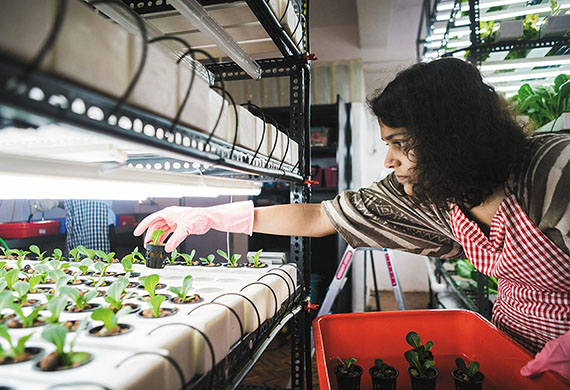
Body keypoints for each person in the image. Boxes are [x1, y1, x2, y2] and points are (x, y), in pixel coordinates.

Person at [133, 58, 570, 381]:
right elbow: (316, 217)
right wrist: (210, 217)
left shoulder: (551, 170)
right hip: (512, 348)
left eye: (398, 142)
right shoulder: (437, 196)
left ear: (449, 135)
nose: (389, 160)